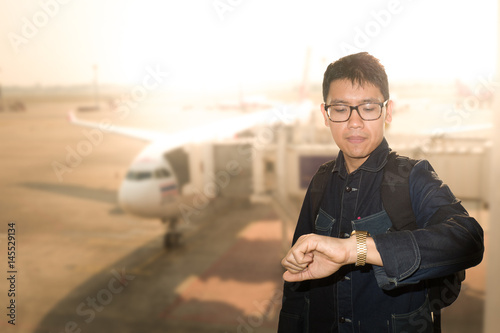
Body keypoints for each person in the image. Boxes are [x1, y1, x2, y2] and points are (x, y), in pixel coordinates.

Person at [277, 52, 484, 332]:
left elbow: (467, 238)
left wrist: (355, 250)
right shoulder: (321, 181)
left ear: (387, 111)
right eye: (340, 109)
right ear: (325, 115)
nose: (354, 122)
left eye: (368, 107)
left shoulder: (412, 176)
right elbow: (295, 295)